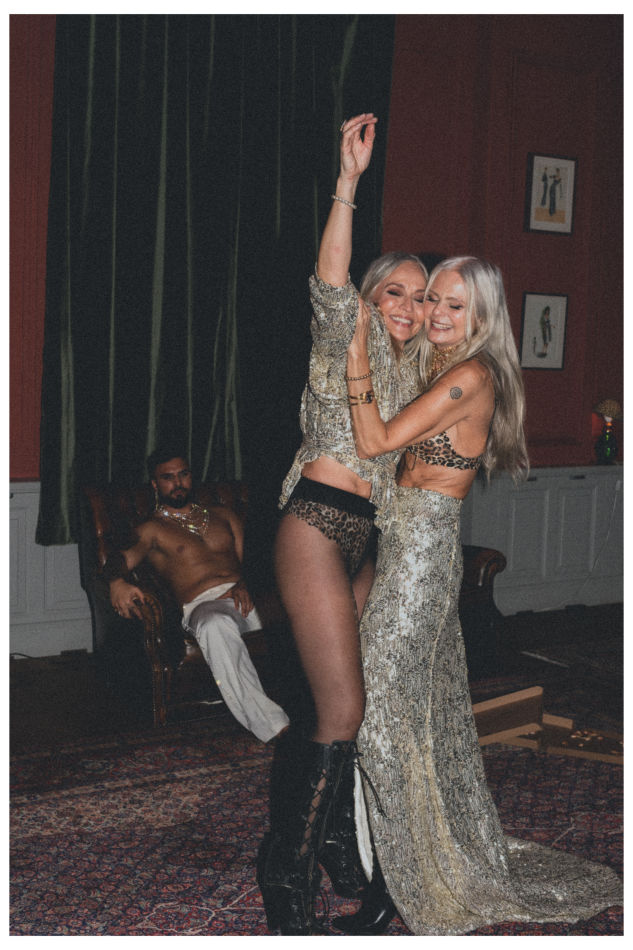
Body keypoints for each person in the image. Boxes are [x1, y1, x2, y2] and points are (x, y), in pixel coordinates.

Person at [333, 256, 623, 934]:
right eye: (432, 298)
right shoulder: (442, 366)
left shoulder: (470, 375)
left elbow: (374, 440)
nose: (435, 313)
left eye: (454, 305)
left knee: (380, 717)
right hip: (403, 551)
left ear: (482, 316)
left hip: (420, 561)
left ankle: (397, 882)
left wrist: (353, 347)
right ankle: (389, 858)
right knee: (411, 714)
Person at [256, 114, 428, 935]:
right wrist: (348, 182)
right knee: (341, 712)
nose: (408, 306)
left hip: (367, 541)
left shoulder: (417, 372)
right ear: (371, 298)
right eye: (394, 290)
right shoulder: (344, 335)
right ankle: (283, 871)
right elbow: (329, 276)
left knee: (357, 707)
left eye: (419, 296)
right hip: (316, 526)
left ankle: (333, 843)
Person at [103, 447, 289, 743]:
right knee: (214, 624)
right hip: (205, 605)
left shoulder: (224, 516)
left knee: (311, 608)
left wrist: (247, 583)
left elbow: (254, 561)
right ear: (155, 484)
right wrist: (116, 582)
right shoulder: (152, 529)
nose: (178, 483)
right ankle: (276, 728)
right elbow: (118, 559)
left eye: (183, 474)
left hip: (249, 596)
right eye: (168, 478)